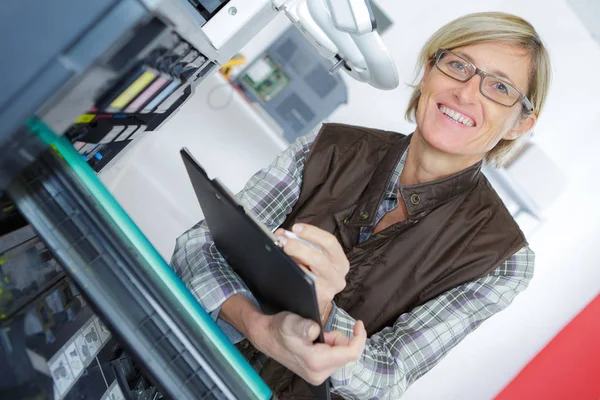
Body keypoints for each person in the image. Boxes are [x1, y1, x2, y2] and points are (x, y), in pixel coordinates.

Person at [171, 11, 551, 399]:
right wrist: (256, 326)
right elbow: (199, 246)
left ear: (521, 123)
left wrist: (321, 309)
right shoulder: (328, 146)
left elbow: (389, 374)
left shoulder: (504, 260)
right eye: (457, 65)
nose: (467, 93)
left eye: (500, 88)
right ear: (427, 71)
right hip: (167, 366)